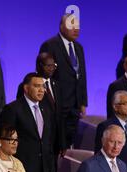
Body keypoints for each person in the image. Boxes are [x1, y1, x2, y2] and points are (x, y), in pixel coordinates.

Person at [0, 72, 55, 172]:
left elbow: (48, 143)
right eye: (37, 86)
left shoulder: (46, 110)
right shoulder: (13, 109)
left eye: (43, 87)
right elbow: (5, 143)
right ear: (26, 88)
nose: (41, 90)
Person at [40, 13, 87, 147]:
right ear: (61, 26)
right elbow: (44, 75)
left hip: (75, 104)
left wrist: (83, 101)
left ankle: (65, 166)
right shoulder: (50, 45)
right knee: (56, 142)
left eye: (77, 26)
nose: (76, 29)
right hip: (58, 103)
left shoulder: (79, 47)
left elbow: (82, 75)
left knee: (70, 141)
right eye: (72, 26)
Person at [17, 52, 67, 172]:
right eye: (48, 66)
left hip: (53, 142)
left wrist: (62, 142)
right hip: (36, 142)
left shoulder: (56, 85)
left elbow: (60, 116)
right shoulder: (27, 85)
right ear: (39, 66)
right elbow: (21, 113)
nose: (51, 69)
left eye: (53, 65)